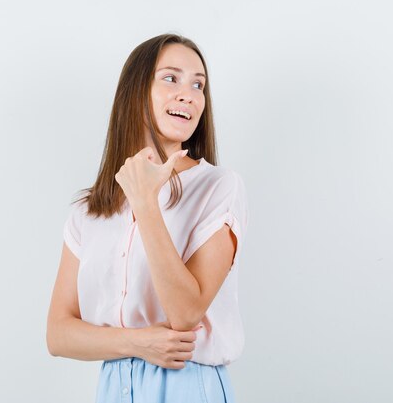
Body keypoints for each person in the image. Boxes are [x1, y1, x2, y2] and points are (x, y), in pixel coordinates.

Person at [46, 33, 249, 403]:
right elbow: (58, 334)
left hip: (187, 385)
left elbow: (185, 313)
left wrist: (145, 202)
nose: (188, 93)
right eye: (171, 78)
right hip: (112, 389)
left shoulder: (218, 187)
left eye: (198, 84)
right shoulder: (89, 210)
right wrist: (140, 343)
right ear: (135, 91)